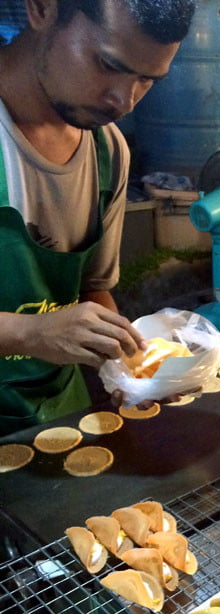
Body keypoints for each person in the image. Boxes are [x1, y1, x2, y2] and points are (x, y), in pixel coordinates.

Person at [0, 0, 195, 436]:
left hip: (61, 421)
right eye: (108, 63)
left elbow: (92, 290)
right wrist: (28, 333)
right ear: (41, 8)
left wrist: (133, 368)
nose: (124, 101)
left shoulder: (108, 153)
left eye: (146, 79)